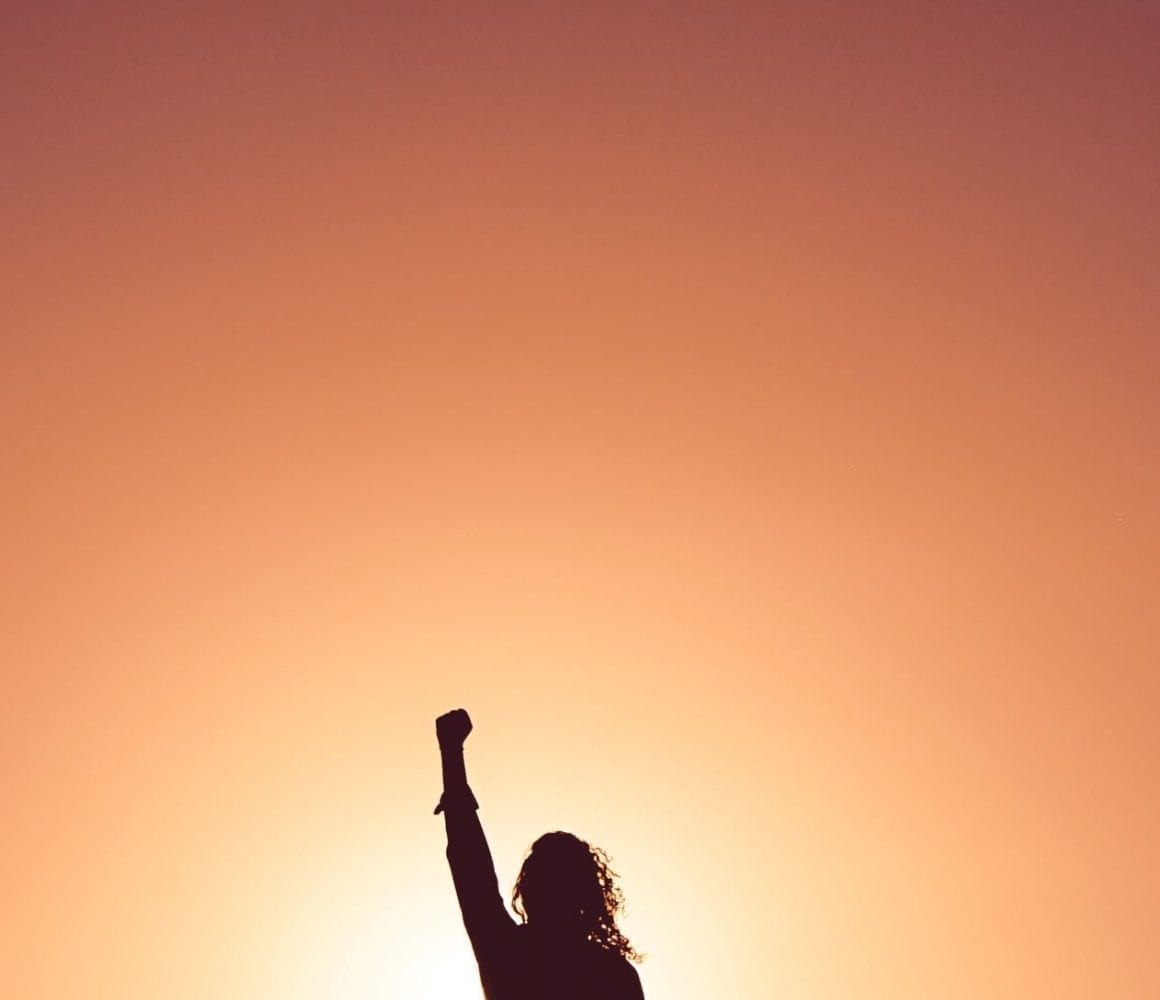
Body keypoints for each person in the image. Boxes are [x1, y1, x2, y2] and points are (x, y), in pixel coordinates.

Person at [434, 708, 645, 1000]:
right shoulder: (611, 971)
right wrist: (451, 756)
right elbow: (470, 864)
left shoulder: (505, 949)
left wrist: (451, 751)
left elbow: (471, 867)